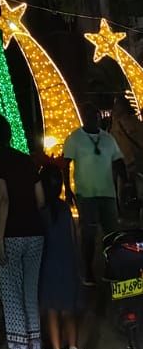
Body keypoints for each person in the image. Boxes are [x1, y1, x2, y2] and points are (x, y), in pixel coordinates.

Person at [0, 112, 45, 349]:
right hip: (35, 233)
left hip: (11, 235)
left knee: (12, 303)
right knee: (30, 298)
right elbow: (41, 199)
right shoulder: (25, 160)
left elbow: (2, 199)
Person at [63, 105, 125, 285]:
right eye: (90, 116)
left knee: (112, 234)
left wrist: (126, 180)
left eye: (96, 117)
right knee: (89, 234)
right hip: (87, 194)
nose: (93, 119)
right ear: (84, 117)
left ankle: (110, 269)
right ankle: (88, 270)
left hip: (108, 194)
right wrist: (67, 189)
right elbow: (66, 164)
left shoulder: (108, 139)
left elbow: (118, 160)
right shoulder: (74, 138)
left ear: (99, 119)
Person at [39, 162, 83, 349]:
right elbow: (74, 238)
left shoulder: (42, 212)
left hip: (48, 265)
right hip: (67, 264)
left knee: (52, 311)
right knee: (68, 310)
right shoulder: (65, 209)